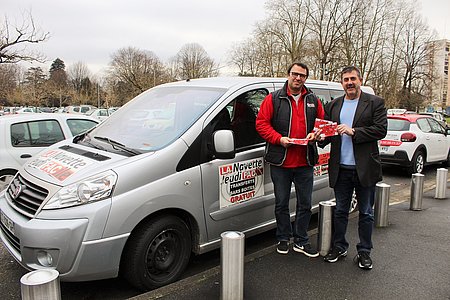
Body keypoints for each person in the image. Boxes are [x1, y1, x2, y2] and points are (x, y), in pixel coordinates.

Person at [319, 66, 387, 269]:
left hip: (365, 168)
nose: (349, 82)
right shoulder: (334, 105)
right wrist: (320, 138)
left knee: (365, 212)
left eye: (353, 79)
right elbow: (329, 132)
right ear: (342, 83)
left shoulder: (375, 102)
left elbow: (380, 130)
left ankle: (364, 252)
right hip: (341, 168)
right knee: (340, 211)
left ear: (360, 80)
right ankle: (339, 247)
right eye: (346, 79)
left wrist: (354, 131)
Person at [256, 61, 324, 257]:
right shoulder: (273, 99)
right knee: (281, 203)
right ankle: (283, 238)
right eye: (295, 74)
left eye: (302, 75)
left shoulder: (313, 100)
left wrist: (316, 135)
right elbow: (261, 124)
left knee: (305, 204)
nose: (298, 78)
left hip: (305, 162)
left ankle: (301, 240)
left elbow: (322, 124)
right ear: (288, 75)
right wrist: (278, 139)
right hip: (281, 162)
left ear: (305, 78)